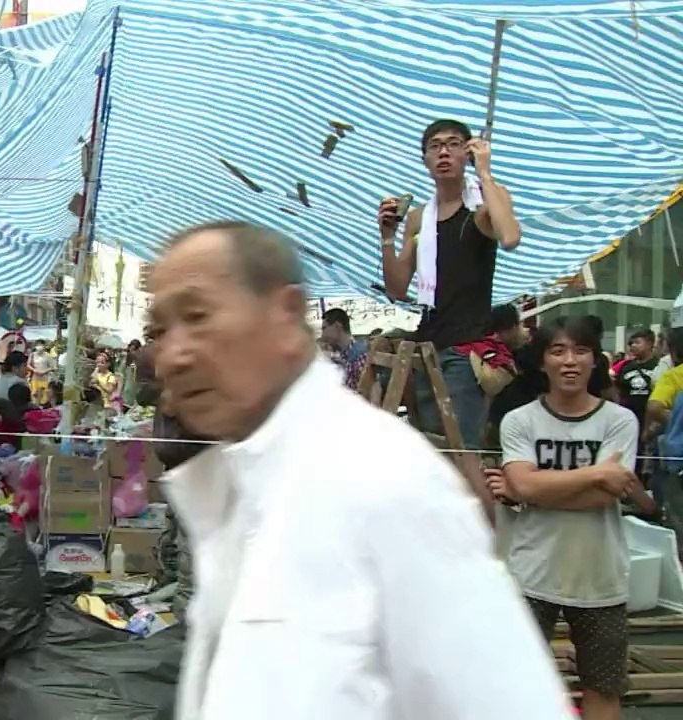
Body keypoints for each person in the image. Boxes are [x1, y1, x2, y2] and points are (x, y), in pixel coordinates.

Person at [150, 221, 569, 720]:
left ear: (285, 316)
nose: (172, 356)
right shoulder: (237, 487)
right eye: (159, 331)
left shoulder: (383, 482)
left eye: (198, 316)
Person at [495, 317, 654, 720]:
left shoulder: (619, 421)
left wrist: (530, 487)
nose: (570, 361)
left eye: (580, 351)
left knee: (602, 687)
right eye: (558, 351)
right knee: (517, 684)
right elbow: (529, 486)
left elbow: (599, 497)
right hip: (531, 573)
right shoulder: (520, 421)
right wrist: (597, 472)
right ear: (542, 361)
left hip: (600, 577)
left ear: (594, 360)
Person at [378, 119, 521, 451]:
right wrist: (386, 238)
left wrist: (485, 173)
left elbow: (510, 237)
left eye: (454, 144)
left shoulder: (482, 207)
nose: (444, 152)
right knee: (427, 452)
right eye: (435, 146)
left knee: (458, 453)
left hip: (465, 349)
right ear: (425, 159)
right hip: (426, 345)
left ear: (467, 152)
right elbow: (398, 289)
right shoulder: (418, 217)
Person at [319, 307, 369, 390]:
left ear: (337, 326)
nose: (323, 335)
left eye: (324, 328)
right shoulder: (343, 356)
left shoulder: (360, 356)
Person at [27, 340, 55, 405]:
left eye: (41, 345)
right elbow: (28, 364)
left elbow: (53, 367)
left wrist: (45, 371)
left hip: (44, 378)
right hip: (35, 378)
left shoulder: (47, 355)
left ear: (44, 346)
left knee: (44, 397)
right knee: (35, 396)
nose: (40, 347)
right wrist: (34, 370)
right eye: (38, 345)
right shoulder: (32, 354)